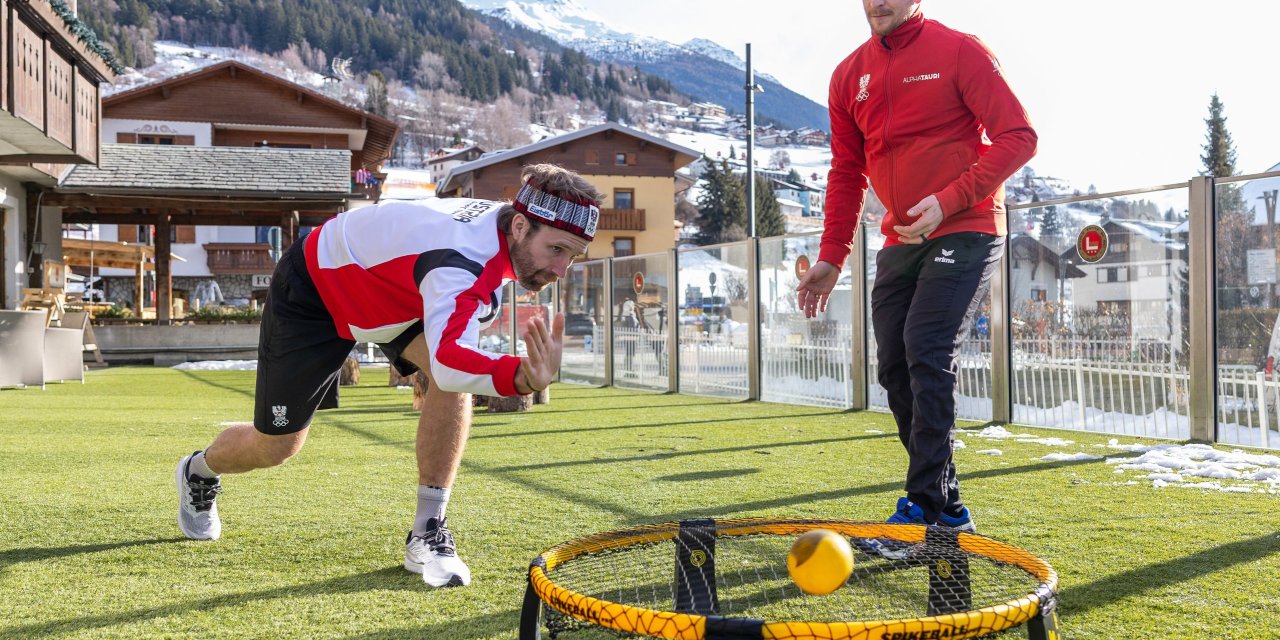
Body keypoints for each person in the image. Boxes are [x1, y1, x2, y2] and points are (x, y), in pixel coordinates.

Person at [174, 164, 605, 587]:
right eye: (557, 250)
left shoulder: (503, 231)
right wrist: (521, 378)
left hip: (395, 296)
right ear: (519, 227)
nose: (563, 268)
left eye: (574, 254)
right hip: (318, 291)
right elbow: (456, 360)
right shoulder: (461, 262)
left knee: (443, 375)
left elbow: (450, 360)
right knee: (276, 447)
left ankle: (428, 529)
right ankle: (199, 470)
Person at [796, 0, 1036, 549]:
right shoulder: (847, 75)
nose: (878, 2)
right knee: (896, 366)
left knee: (926, 348)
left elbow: (1019, 135)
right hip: (900, 240)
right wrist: (832, 255)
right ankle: (947, 508)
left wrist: (951, 199)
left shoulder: (960, 50)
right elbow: (846, 171)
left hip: (967, 225)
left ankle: (924, 508)